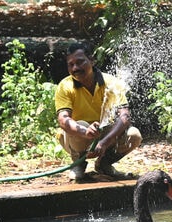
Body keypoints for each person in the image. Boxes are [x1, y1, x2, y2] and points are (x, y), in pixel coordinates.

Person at [55, 41, 142, 181]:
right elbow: (63, 119)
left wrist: (105, 142)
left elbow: (124, 117)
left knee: (134, 135)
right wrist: (85, 132)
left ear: (92, 60)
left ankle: (104, 164)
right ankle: (78, 164)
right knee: (81, 124)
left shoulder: (111, 83)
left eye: (80, 62)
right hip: (78, 137)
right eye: (70, 64)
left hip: (103, 134)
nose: (75, 68)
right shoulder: (65, 86)